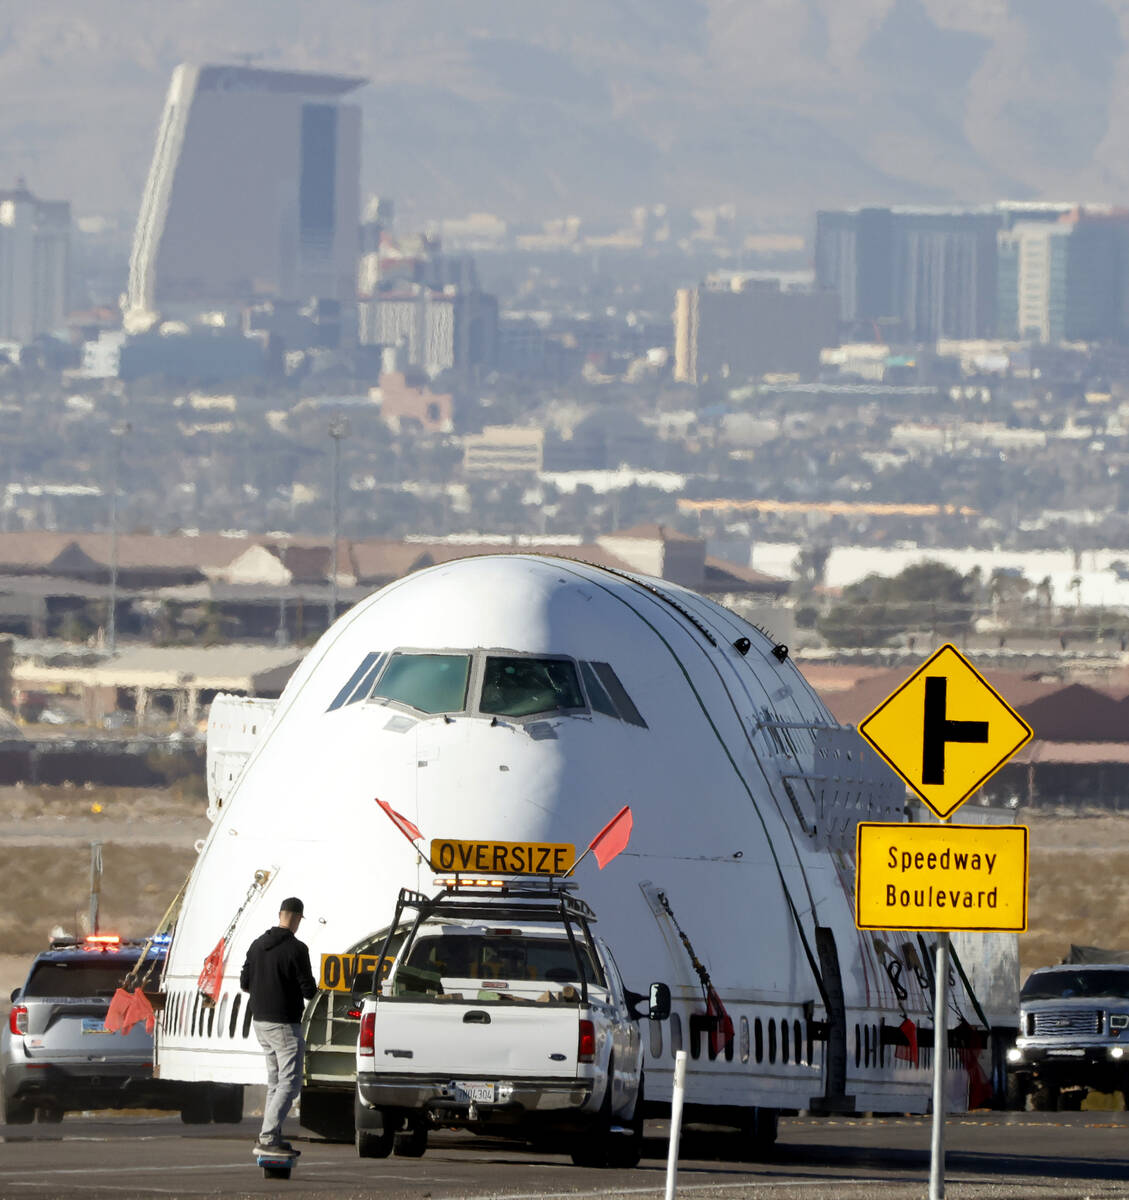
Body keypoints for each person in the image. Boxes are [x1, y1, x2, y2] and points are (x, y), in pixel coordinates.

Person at [239, 897, 317, 1152]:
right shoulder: (297, 949)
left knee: (275, 1081)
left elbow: (244, 983)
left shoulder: (256, 945)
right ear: (296, 918)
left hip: (260, 1021)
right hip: (284, 1023)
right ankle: (268, 1135)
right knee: (290, 1082)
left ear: (280, 914)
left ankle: (271, 1135)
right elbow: (308, 990)